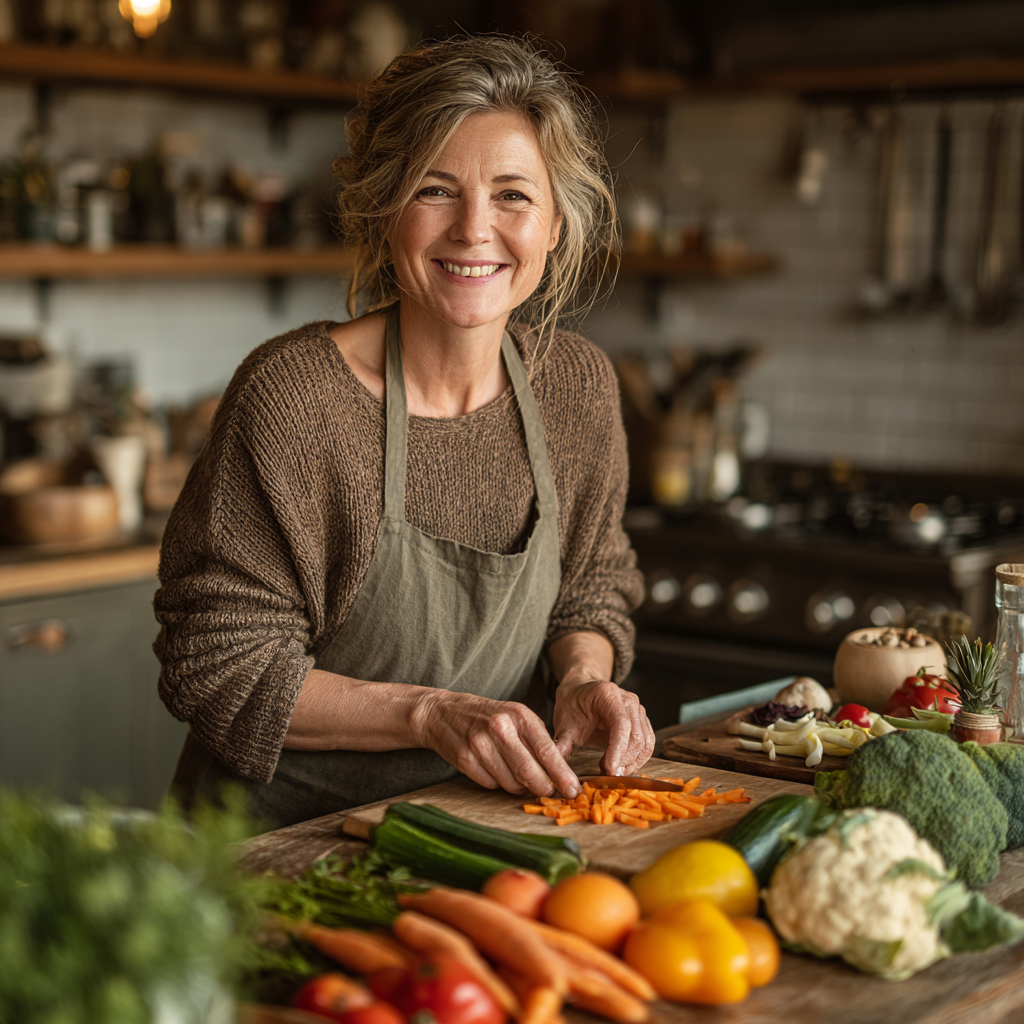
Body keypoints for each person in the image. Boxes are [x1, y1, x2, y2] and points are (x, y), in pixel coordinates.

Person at [155, 34, 651, 830]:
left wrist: (584, 679)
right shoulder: (295, 399)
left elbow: (590, 584)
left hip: (469, 839)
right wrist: (429, 715)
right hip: (266, 853)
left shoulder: (576, 387)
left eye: (514, 196)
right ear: (384, 210)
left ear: (556, 226)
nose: (473, 229)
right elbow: (220, 665)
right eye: (435, 190)